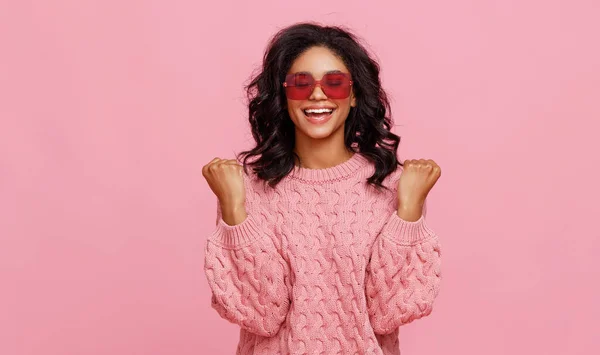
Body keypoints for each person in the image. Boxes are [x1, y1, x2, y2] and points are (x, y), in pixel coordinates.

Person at [202, 22, 442, 355]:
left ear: (354, 93)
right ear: (283, 94)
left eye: (335, 83)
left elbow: (390, 312)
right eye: (301, 84)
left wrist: (409, 213)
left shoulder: (397, 187)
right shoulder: (243, 189)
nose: (317, 95)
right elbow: (261, 315)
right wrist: (233, 212)